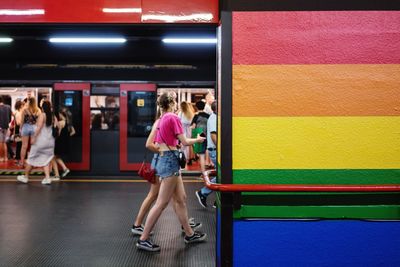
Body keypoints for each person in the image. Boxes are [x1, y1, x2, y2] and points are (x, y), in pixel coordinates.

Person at [136, 92, 206, 252]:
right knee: (161, 203)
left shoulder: (161, 120)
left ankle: (189, 233)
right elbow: (185, 141)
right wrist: (199, 139)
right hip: (170, 161)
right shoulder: (173, 118)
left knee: (181, 198)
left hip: (164, 159)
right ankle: (143, 239)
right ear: (173, 103)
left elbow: (156, 142)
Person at [131, 108, 201, 235]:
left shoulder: (160, 121)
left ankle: (185, 225)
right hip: (164, 160)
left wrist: (170, 147)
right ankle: (138, 226)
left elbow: (159, 142)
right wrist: (163, 151)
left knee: (176, 197)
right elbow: (149, 144)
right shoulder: (162, 121)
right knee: (158, 197)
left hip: (160, 160)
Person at [17, 100, 56, 185]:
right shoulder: (53, 116)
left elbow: (38, 128)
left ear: (43, 107)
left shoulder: (42, 115)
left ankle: (25, 177)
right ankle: (47, 178)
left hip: (41, 141)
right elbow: (58, 128)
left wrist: (34, 138)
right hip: (50, 142)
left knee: (31, 159)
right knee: (46, 160)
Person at [196, 101, 217, 208]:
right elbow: (214, 136)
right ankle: (203, 192)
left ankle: (216, 200)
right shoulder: (213, 118)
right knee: (223, 176)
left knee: (222, 175)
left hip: (212, 148)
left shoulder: (201, 116)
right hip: (215, 149)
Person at [20, 97, 41, 167]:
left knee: (24, 146)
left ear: (29, 102)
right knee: (33, 146)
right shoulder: (38, 110)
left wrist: (20, 129)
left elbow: (22, 121)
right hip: (34, 127)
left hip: (25, 127)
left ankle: (22, 162)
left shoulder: (24, 110)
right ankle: (33, 163)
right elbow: (39, 121)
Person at [190, 100, 210, 173]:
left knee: (201, 155)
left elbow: (193, 126)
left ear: (196, 107)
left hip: (199, 136)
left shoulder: (196, 116)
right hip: (208, 136)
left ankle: (203, 172)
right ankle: (208, 163)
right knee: (207, 150)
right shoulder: (208, 115)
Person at [178, 101, 194, 166]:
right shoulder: (190, 113)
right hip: (189, 131)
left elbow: (179, 121)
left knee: (183, 146)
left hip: (182, 131)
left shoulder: (181, 113)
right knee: (188, 146)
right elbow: (191, 123)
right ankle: (188, 159)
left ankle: (183, 159)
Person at [0, 96, 12, 162]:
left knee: (1, 143)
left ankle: (1, 158)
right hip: (6, 127)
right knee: (4, 143)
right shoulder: (8, 107)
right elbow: (10, 118)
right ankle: (5, 157)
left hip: (0, 127)